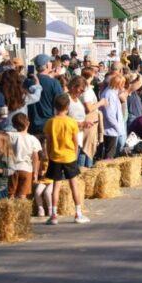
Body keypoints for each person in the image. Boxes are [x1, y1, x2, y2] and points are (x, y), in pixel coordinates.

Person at [44, 93, 89, 225]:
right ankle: (78, 213)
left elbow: (48, 141)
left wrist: (49, 153)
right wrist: (75, 155)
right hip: (69, 156)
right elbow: (75, 141)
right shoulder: (71, 122)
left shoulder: (50, 122)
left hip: (55, 156)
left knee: (56, 186)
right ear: (68, 107)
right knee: (74, 184)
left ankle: (53, 215)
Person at [27, 54, 64, 134]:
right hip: (49, 126)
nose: (51, 63)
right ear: (47, 65)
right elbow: (61, 104)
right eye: (50, 62)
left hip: (31, 126)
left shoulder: (28, 82)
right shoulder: (54, 83)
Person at [8, 114, 41, 199]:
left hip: (12, 168)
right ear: (28, 123)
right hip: (26, 169)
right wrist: (36, 172)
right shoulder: (33, 139)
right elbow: (35, 157)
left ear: (13, 125)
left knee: (11, 193)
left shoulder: (10, 135)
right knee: (22, 195)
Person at [99, 74, 126, 160]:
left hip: (112, 128)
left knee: (110, 151)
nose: (124, 86)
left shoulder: (112, 93)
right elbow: (109, 114)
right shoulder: (109, 94)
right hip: (110, 129)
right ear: (118, 84)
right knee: (110, 152)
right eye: (122, 84)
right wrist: (117, 126)